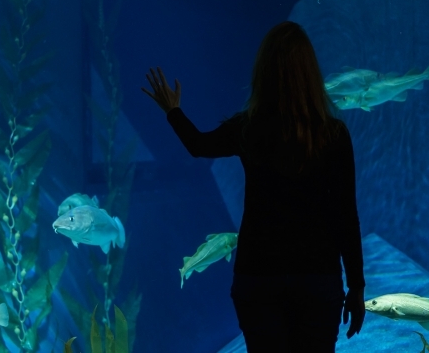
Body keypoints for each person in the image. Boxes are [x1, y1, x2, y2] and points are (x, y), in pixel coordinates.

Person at [141, 21, 366, 352]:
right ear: (311, 74)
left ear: (264, 73)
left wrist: (173, 111)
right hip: (317, 281)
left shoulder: (248, 129)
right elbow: (347, 217)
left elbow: (198, 145)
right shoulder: (333, 135)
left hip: (259, 281)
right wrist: (356, 288)